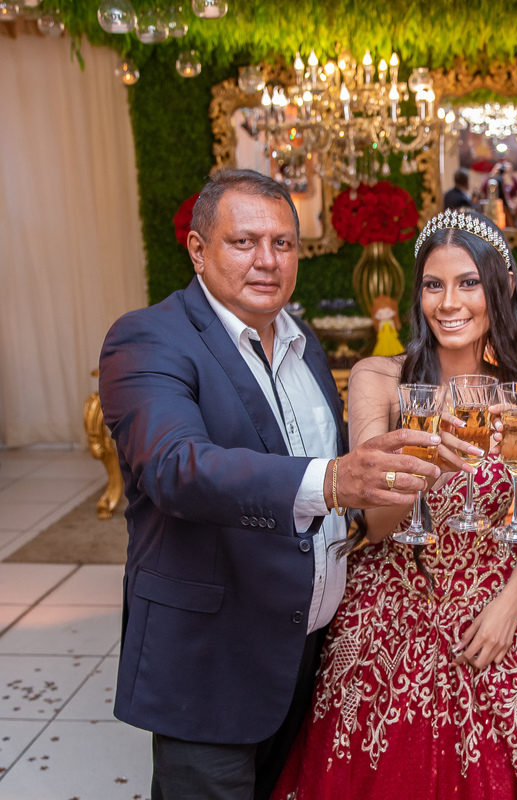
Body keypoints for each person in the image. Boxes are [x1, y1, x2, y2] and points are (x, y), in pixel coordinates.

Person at [99, 169, 450, 800]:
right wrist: (335, 479)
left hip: (303, 654)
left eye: (283, 243)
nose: (267, 260)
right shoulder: (149, 337)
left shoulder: (302, 341)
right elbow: (176, 467)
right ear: (198, 250)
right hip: (212, 661)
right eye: (244, 242)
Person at [271, 209, 517, 800]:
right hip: (400, 600)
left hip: (514, 595)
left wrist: (511, 602)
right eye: (433, 285)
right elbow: (374, 521)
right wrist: (431, 453)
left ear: (502, 287)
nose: (449, 303)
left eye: (468, 283)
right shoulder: (379, 379)